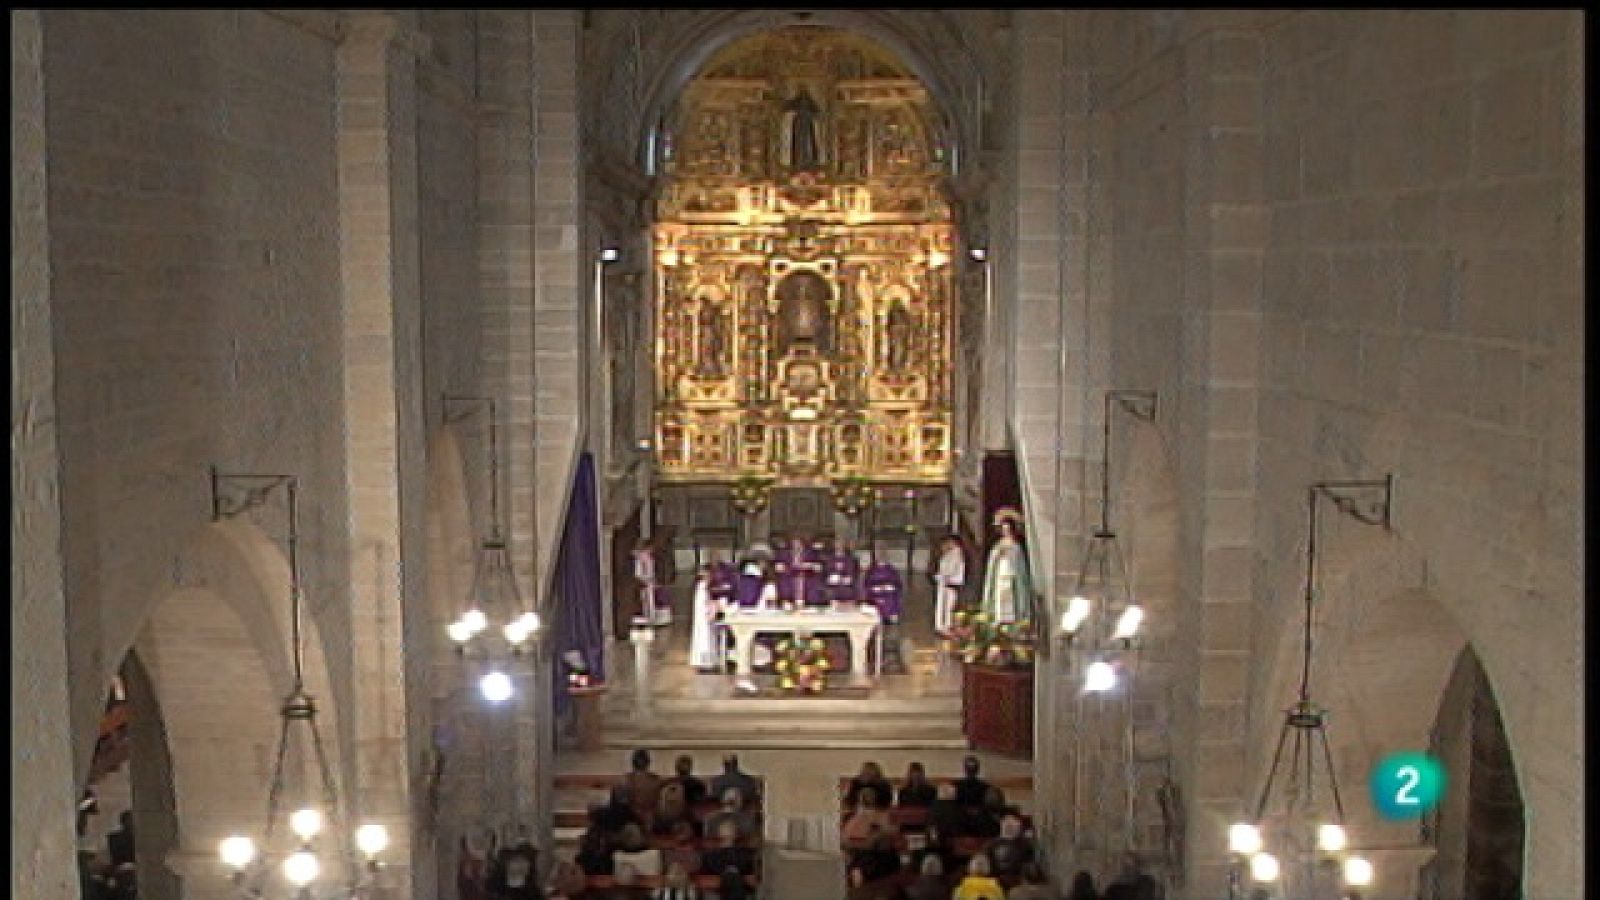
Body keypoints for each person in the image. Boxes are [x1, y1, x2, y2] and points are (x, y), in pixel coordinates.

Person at [980, 509, 1032, 627]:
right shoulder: (998, 545)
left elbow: (1019, 565)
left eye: (1008, 529)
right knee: (999, 600)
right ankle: (999, 621)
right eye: (1004, 529)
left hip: (1012, 577)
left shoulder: (1016, 546)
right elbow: (993, 561)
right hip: (1000, 576)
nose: (1006, 531)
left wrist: (1009, 554)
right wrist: (998, 554)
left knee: (1012, 602)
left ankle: (1013, 622)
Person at [688, 567, 722, 671]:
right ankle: (704, 662)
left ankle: (710, 661)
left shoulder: (705, 587)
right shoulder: (702, 587)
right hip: (703, 618)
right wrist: (711, 608)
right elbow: (703, 603)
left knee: (708, 639)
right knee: (704, 640)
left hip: (705, 617)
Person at [622, 748, 664, 828]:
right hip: (651, 818)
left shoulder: (626, 779)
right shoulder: (656, 780)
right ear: (648, 763)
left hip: (632, 818)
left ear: (633, 762)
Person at [933, 535, 966, 635]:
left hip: (950, 582)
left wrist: (944, 575)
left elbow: (952, 568)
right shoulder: (949, 553)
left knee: (947, 606)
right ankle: (941, 626)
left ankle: (945, 626)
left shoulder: (956, 553)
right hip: (944, 581)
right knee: (943, 605)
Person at [985, 815, 1034, 880]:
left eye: (1011, 827)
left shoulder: (1024, 845)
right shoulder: (992, 844)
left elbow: (1028, 862)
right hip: (996, 879)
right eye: (1007, 827)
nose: (1009, 829)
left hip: (1016, 878)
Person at [862, 551, 903, 623]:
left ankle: (891, 615)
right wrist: (875, 587)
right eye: (879, 557)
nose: (881, 558)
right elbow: (867, 583)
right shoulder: (871, 570)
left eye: (883, 557)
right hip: (875, 591)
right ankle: (875, 615)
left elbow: (897, 583)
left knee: (892, 597)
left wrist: (889, 587)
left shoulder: (891, 570)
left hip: (888, 592)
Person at [823, 536, 862, 605]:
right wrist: (829, 579)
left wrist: (849, 579)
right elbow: (824, 576)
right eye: (837, 542)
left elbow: (856, 575)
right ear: (834, 544)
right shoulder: (828, 559)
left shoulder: (852, 559)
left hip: (848, 592)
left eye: (841, 543)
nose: (839, 545)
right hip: (832, 592)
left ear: (845, 544)